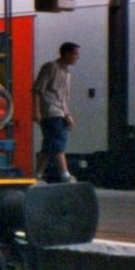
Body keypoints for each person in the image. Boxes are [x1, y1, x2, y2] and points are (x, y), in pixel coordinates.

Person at [32, 41, 81, 182]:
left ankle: (37, 174)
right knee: (59, 142)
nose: (77, 57)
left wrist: (68, 115)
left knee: (49, 145)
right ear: (66, 54)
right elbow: (37, 90)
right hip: (50, 111)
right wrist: (36, 111)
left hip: (60, 111)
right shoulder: (50, 68)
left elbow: (63, 97)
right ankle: (65, 174)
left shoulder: (67, 73)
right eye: (75, 54)